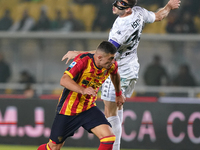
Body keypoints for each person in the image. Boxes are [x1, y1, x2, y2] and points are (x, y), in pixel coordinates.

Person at [62, 0, 181, 149]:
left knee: (110, 112)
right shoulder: (139, 12)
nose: (114, 6)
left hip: (118, 70)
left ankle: (114, 147)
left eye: (119, 4)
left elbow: (106, 53)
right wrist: (168, 7)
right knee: (117, 107)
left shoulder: (122, 28)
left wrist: (78, 53)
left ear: (127, 9)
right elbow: (158, 16)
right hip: (131, 68)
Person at [37, 41, 125, 150]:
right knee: (53, 147)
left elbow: (115, 74)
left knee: (109, 138)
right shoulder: (83, 61)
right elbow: (64, 80)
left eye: (113, 58)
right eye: (110, 59)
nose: (112, 62)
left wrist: (118, 93)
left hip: (88, 108)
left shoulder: (111, 65)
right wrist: (83, 90)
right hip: (68, 110)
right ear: (99, 58)